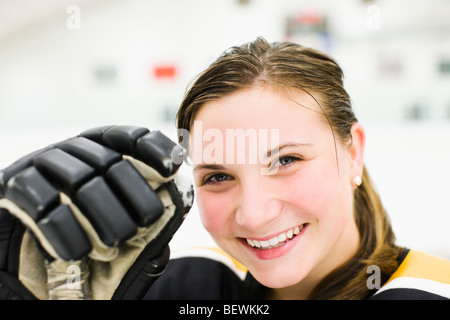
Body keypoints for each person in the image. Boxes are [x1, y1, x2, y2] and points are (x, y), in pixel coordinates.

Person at [0, 38, 449, 300]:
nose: (253, 215)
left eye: (286, 160)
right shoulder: (187, 285)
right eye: (218, 176)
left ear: (354, 153)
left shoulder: (426, 294)